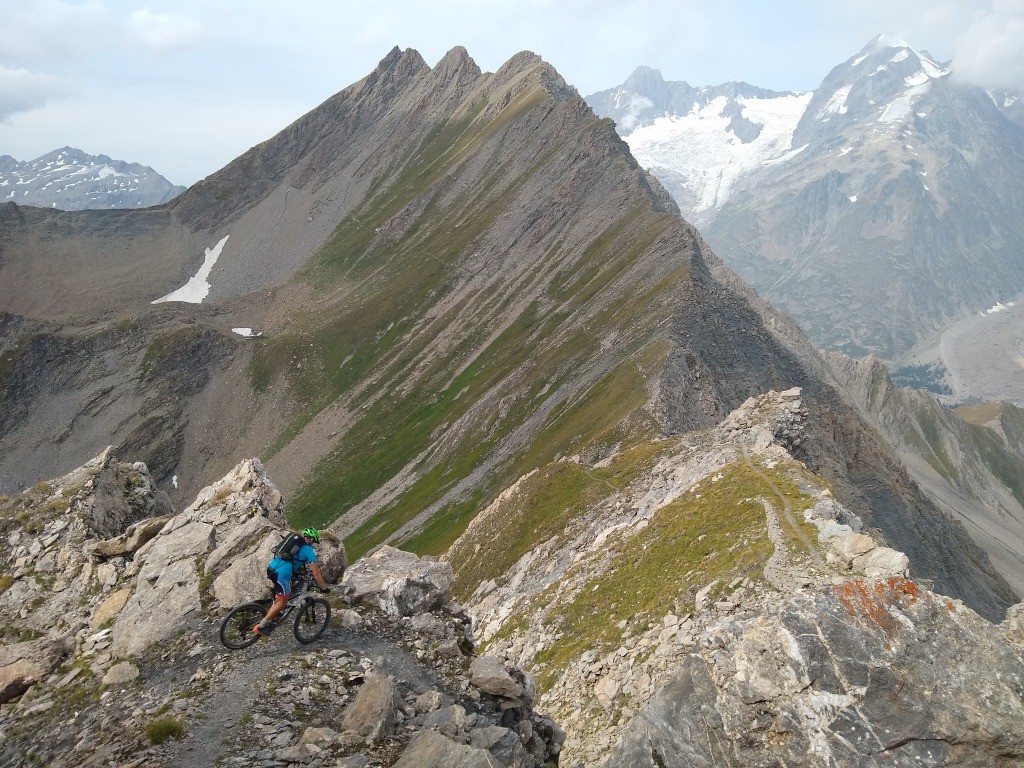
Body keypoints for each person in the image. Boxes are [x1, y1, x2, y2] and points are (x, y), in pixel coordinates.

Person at [254, 526, 331, 637]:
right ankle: (261, 626)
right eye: (314, 541)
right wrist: (324, 588)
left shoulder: (294, 545)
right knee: (283, 602)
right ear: (312, 539)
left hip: (271, 568)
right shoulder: (308, 551)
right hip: (282, 574)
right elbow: (316, 573)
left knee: (281, 595)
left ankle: (275, 613)